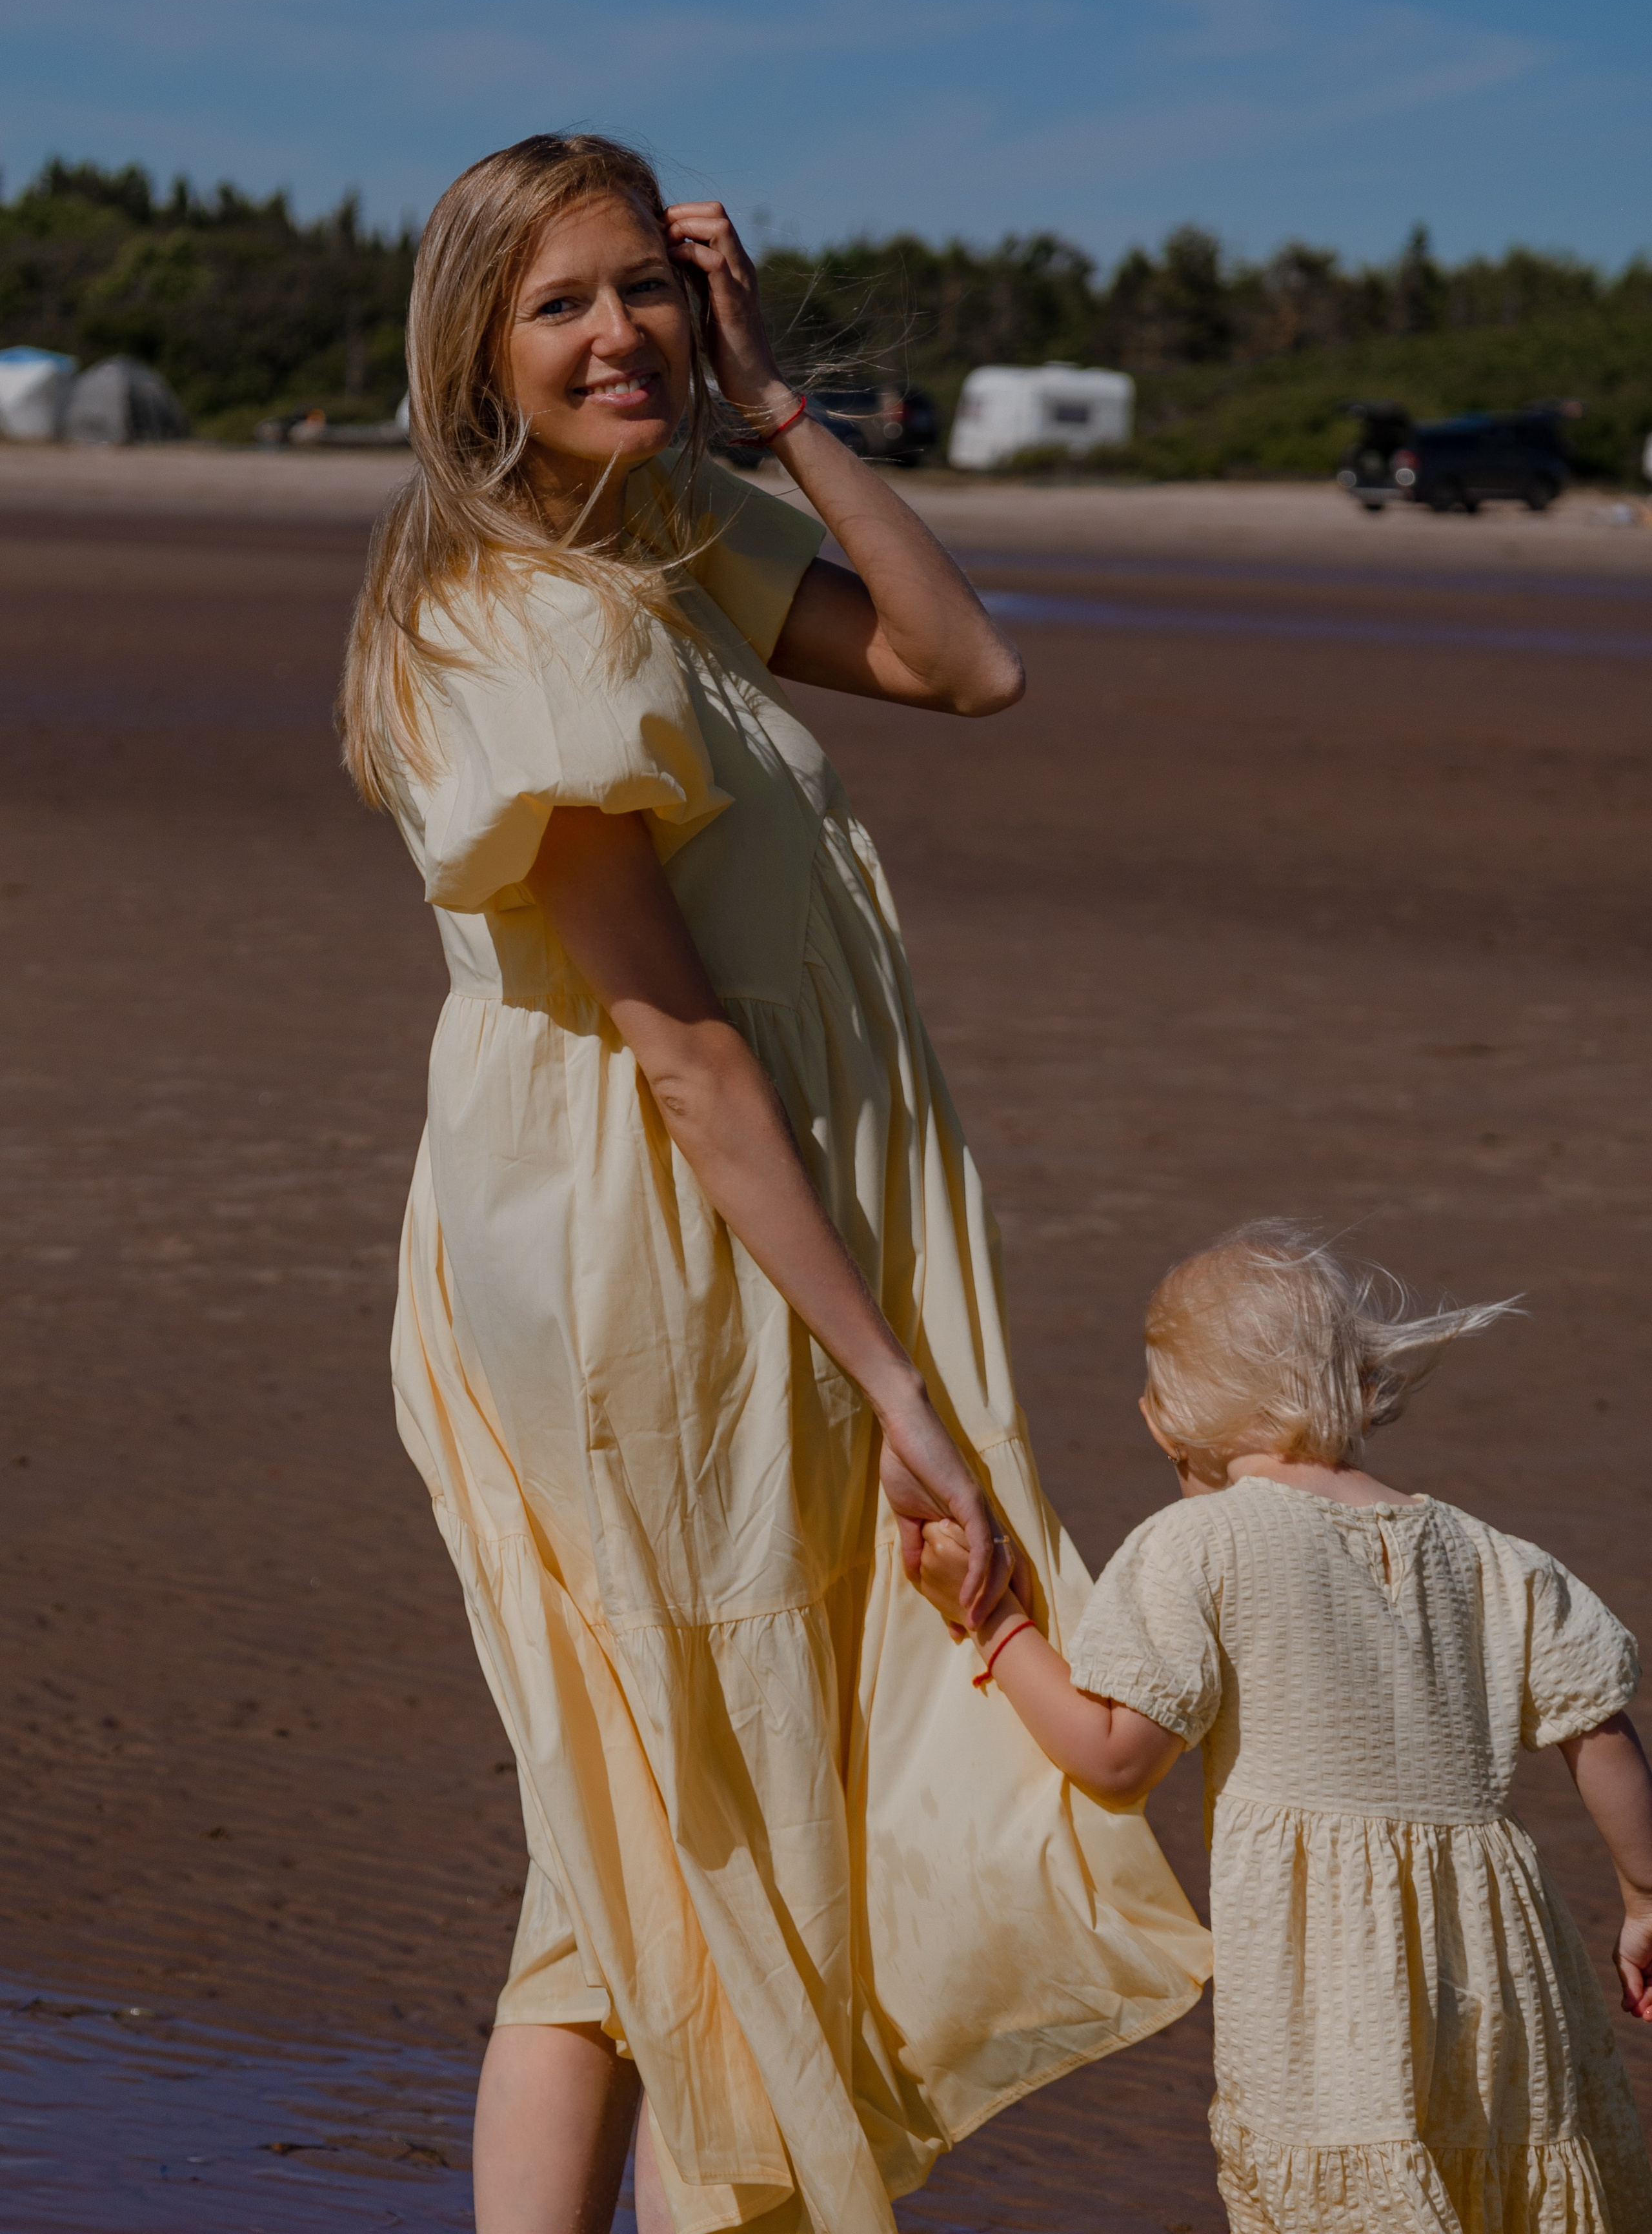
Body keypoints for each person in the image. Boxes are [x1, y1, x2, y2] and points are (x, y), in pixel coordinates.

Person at [337, 132, 1211, 2234]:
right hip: (650, 1251)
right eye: (559, 304)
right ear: (471, 344)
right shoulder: (519, 616)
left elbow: (963, 665)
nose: (616, 334)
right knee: (715, 1792)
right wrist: (895, 1381)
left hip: (736, 1231)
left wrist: (776, 401)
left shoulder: (659, 531)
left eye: (643, 285)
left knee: (646, 1823)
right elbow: (681, 1047)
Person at [918, 1220, 1652, 2232]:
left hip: (1333, 1985)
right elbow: (1599, 1728)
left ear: (1163, 1422)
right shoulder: (1492, 1554)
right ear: (1357, 1382)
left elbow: (1115, 1759)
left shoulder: (1197, 1545)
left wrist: (994, 1621)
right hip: (1499, 1965)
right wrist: (1642, 1896)